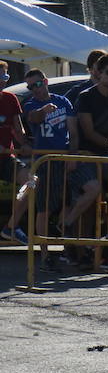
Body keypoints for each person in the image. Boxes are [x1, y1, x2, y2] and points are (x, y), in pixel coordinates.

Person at [21, 68, 102, 269]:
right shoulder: (31, 103)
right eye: (31, 87)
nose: (35, 89)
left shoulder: (63, 101)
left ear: (45, 81)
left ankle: (68, 242)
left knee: (89, 190)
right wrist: (42, 111)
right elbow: (33, 118)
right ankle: (45, 255)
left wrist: (72, 156)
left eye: (38, 84)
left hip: (66, 157)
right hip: (45, 161)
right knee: (44, 208)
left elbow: (73, 132)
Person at [0, 60, 31, 244]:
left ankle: (11, 227)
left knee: (31, 181)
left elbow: (18, 130)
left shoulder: (11, 99)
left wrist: (25, 143)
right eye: (0, 76)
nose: (3, 80)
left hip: (6, 158)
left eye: (5, 76)